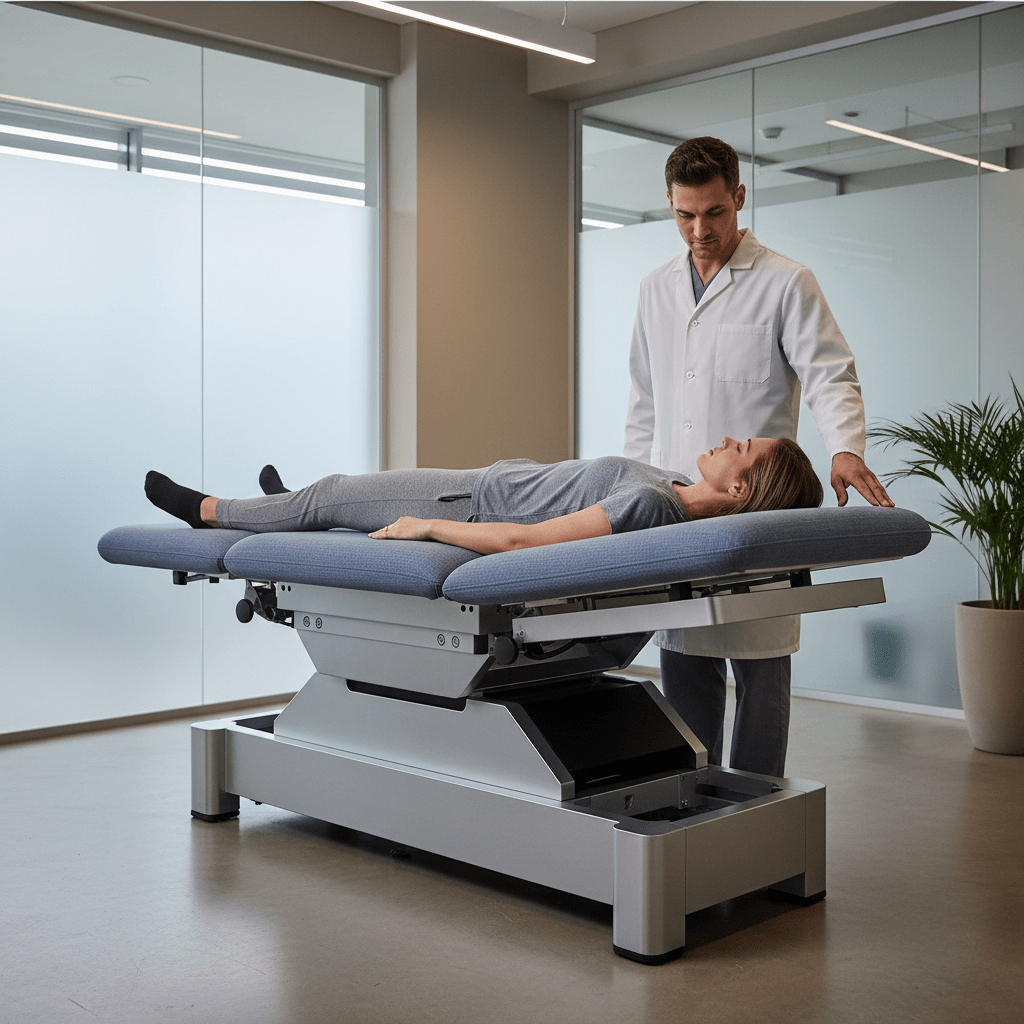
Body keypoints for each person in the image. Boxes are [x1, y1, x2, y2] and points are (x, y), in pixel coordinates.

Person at [623, 136, 892, 778]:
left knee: (762, 683)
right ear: (670, 205)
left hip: (759, 516)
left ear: (739, 198)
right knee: (686, 680)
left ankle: (759, 814)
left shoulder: (786, 281)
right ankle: (692, 809)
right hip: (683, 512)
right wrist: (631, 495)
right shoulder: (656, 289)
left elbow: (830, 374)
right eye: (685, 215)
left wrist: (844, 448)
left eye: (714, 213)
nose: (700, 231)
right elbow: (643, 402)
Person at [144, 435, 822, 557]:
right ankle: (288, 505)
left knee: (332, 494)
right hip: (479, 486)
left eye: (743, 448)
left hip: (464, 505)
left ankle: (209, 511)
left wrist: (428, 527)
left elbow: (527, 541)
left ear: (740, 487)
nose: (728, 439)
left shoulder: (652, 507)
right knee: (329, 500)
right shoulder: (671, 489)